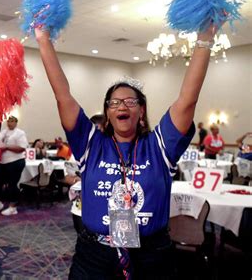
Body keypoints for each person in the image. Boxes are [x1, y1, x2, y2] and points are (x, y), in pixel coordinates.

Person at [35, 20, 218, 278]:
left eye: (130, 101)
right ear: (108, 114)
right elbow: (62, 95)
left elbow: (187, 100)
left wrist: (205, 38)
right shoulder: (91, 143)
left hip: (151, 256)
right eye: (115, 102)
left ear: (141, 111)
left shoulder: (159, 146)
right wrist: (43, 39)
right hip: (94, 256)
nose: (122, 106)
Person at [0, 116, 29, 216]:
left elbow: (22, 147)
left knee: (12, 184)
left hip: (15, 161)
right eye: (8, 121)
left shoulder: (19, 133)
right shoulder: (3, 132)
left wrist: (7, 147)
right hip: (2, 162)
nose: (10, 123)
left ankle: (13, 207)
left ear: (16, 123)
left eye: (12, 121)